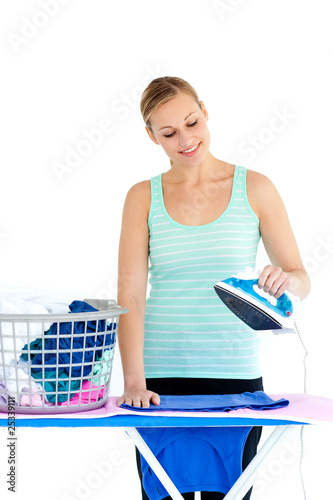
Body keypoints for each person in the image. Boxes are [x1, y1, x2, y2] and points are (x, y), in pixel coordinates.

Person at [116, 76, 311, 500]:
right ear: (152, 136)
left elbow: (301, 278)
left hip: (236, 378)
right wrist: (134, 381)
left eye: (191, 122)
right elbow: (129, 294)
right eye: (168, 133)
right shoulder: (141, 197)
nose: (185, 139)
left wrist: (285, 279)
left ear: (205, 111)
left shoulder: (255, 188)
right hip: (159, 381)